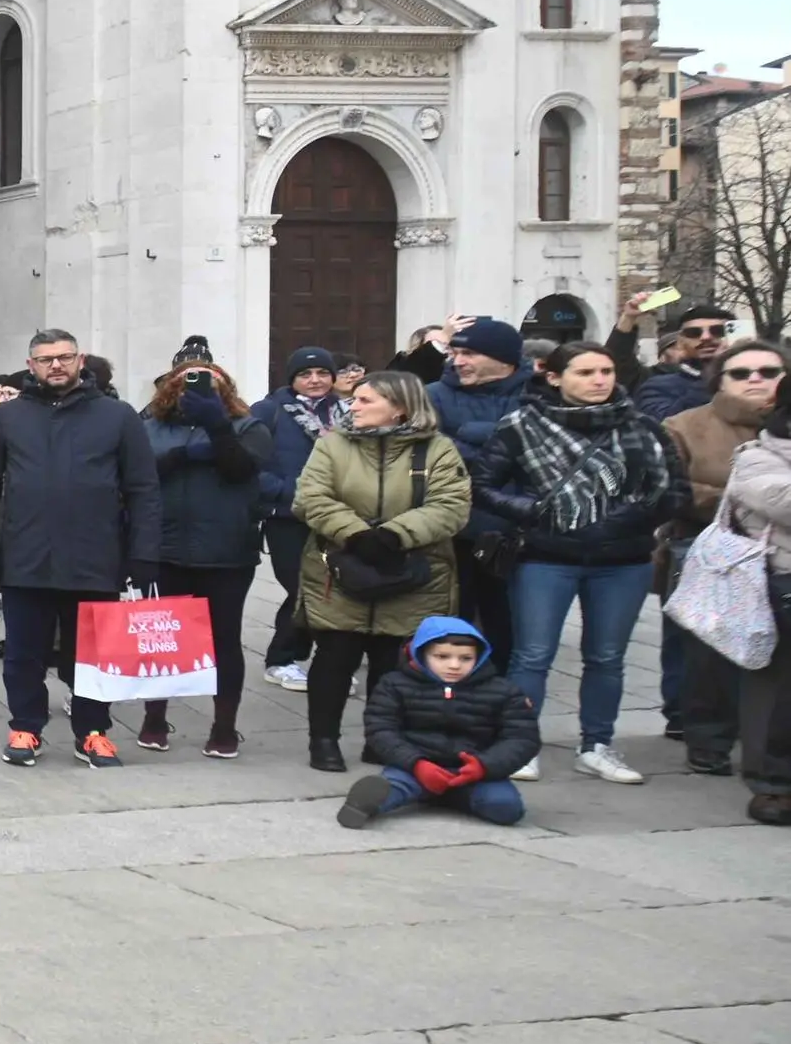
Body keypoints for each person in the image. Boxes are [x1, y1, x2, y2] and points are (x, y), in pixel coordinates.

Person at [481, 342, 688, 785]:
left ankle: (597, 745)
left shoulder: (643, 427)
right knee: (532, 655)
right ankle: (520, 746)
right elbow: (483, 485)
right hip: (546, 557)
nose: (599, 380)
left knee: (607, 657)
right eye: (586, 372)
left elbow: (674, 492)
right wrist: (535, 512)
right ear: (554, 377)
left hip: (623, 559)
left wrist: (624, 519)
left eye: (606, 371)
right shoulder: (521, 425)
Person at [0, 327, 160, 769]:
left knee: (91, 654)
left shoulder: (117, 416)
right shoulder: (7, 417)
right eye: (46, 358)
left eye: (65, 357)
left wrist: (143, 551)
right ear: (31, 365)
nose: (56, 365)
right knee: (23, 652)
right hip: (24, 555)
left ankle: (92, 731)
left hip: (94, 556)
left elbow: (143, 489)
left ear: (81, 361)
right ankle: (26, 727)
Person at [292, 372, 474, 774]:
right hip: (340, 569)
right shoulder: (333, 446)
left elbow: (451, 506)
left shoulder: (438, 450)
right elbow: (310, 498)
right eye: (354, 399)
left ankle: (382, 741)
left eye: (366, 400)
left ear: (400, 407)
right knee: (334, 659)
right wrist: (356, 535)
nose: (353, 406)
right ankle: (323, 741)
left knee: (392, 666)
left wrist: (394, 535)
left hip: (410, 571)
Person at [660, 341, 784, 776]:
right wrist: (744, 502)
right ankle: (708, 740)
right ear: (720, 380)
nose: (756, 380)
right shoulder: (686, 424)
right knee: (709, 655)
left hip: (782, 556)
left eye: (769, 372)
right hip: (711, 550)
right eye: (741, 372)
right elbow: (672, 487)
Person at [140, 358, 272, 759]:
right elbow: (137, 475)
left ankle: (224, 726)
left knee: (224, 641)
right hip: (164, 549)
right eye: (185, 386)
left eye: (207, 386)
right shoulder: (150, 429)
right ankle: (155, 718)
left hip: (225, 552)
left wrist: (217, 427)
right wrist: (180, 455)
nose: (194, 392)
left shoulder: (248, 428)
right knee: (161, 640)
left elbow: (242, 470)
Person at [343, 616, 540, 828]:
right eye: (442, 656)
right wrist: (416, 763)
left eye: (466, 658)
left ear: (480, 657)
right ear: (421, 654)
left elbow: (522, 737)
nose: (454, 665)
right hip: (414, 768)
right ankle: (365, 805)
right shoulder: (394, 685)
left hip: (475, 773)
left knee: (506, 808)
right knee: (391, 789)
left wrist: (484, 766)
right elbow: (380, 730)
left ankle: (450, 795)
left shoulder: (504, 691)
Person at [429, 317, 533, 664]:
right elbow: (434, 451)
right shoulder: (433, 395)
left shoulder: (538, 395)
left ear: (504, 359)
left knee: (510, 629)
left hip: (518, 532)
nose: (458, 360)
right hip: (453, 532)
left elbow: (533, 452)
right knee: (451, 627)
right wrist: (499, 439)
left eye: (469, 353)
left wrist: (464, 433)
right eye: (456, 352)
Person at [708, 409, 791, 827]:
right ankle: (776, 782)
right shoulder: (758, 456)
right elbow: (783, 503)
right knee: (782, 691)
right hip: (783, 582)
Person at [256, 349, 344, 692]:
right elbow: (251, 463)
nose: (315, 380)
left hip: (337, 515)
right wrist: (284, 492)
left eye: (323, 372)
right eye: (306, 374)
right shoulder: (269, 411)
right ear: (292, 379)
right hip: (288, 516)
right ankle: (282, 659)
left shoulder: (348, 412)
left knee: (329, 589)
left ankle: (314, 659)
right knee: (301, 587)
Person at [631, 306, 738, 424]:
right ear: (680, 342)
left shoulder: (756, 376)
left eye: (718, 331)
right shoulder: (658, 386)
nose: (706, 337)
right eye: (694, 333)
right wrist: (714, 368)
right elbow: (665, 428)